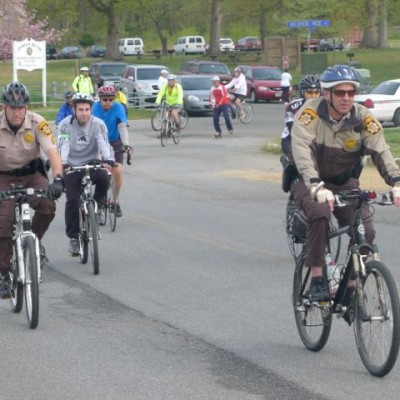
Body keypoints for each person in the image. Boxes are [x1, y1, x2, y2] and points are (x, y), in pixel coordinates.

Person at [290, 64, 400, 303]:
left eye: (351, 93)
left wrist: (396, 181)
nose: (347, 98)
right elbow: (300, 150)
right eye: (340, 93)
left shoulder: (362, 117)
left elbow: (380, 149)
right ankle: (318, 277)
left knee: (365, 231)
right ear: (326, 93)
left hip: (344, 182)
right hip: (310, 182)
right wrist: (315, 185)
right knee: (319, 214)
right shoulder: (310, 114)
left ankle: (350, 285)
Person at [0, 82, 64, 298]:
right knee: (4, 220)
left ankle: (34, 243)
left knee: (48, 204)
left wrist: (58, 179)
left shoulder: (38, 123)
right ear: (4, 107)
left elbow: (52, 152)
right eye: (12, 107)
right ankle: (3, 272)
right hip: (3, 177)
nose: (17, 112)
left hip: (32, 174)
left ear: (27, 106)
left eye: (21, 107)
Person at [57, 93, 115, 256]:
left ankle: (96, 207)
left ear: (91, 109)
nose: (84, 113)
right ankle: (74, 238)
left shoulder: (98, 124)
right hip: (72, 166)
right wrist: (64, 164)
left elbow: (104, 143)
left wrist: (108, 159)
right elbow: (63, 146)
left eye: (87, 109)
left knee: (104, 178)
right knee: (72, 201)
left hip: (93, 163)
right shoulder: (64, 124)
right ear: (74, 109)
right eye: (80, 109)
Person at [92, 85, 131, 218]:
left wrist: (126, 144)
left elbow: (122, 127)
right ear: (100, 99)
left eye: (110, 99)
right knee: (100, 172)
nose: (108, 102)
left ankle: (115, 200)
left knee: (118, 171)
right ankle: (99, 200)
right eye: (105, 100)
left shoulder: (119, 107)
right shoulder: (94, 108)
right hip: (98, 142)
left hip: (115, 141)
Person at [281, 74, 321, 160]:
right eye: (310, 92)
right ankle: (289, 167)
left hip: (314, 141)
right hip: (290, 140)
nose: (313, 96)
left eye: (316, 92)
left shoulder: (324, 106)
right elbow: (293, 129)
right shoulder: (293, 106)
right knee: (301, 159)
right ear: (303, 92)